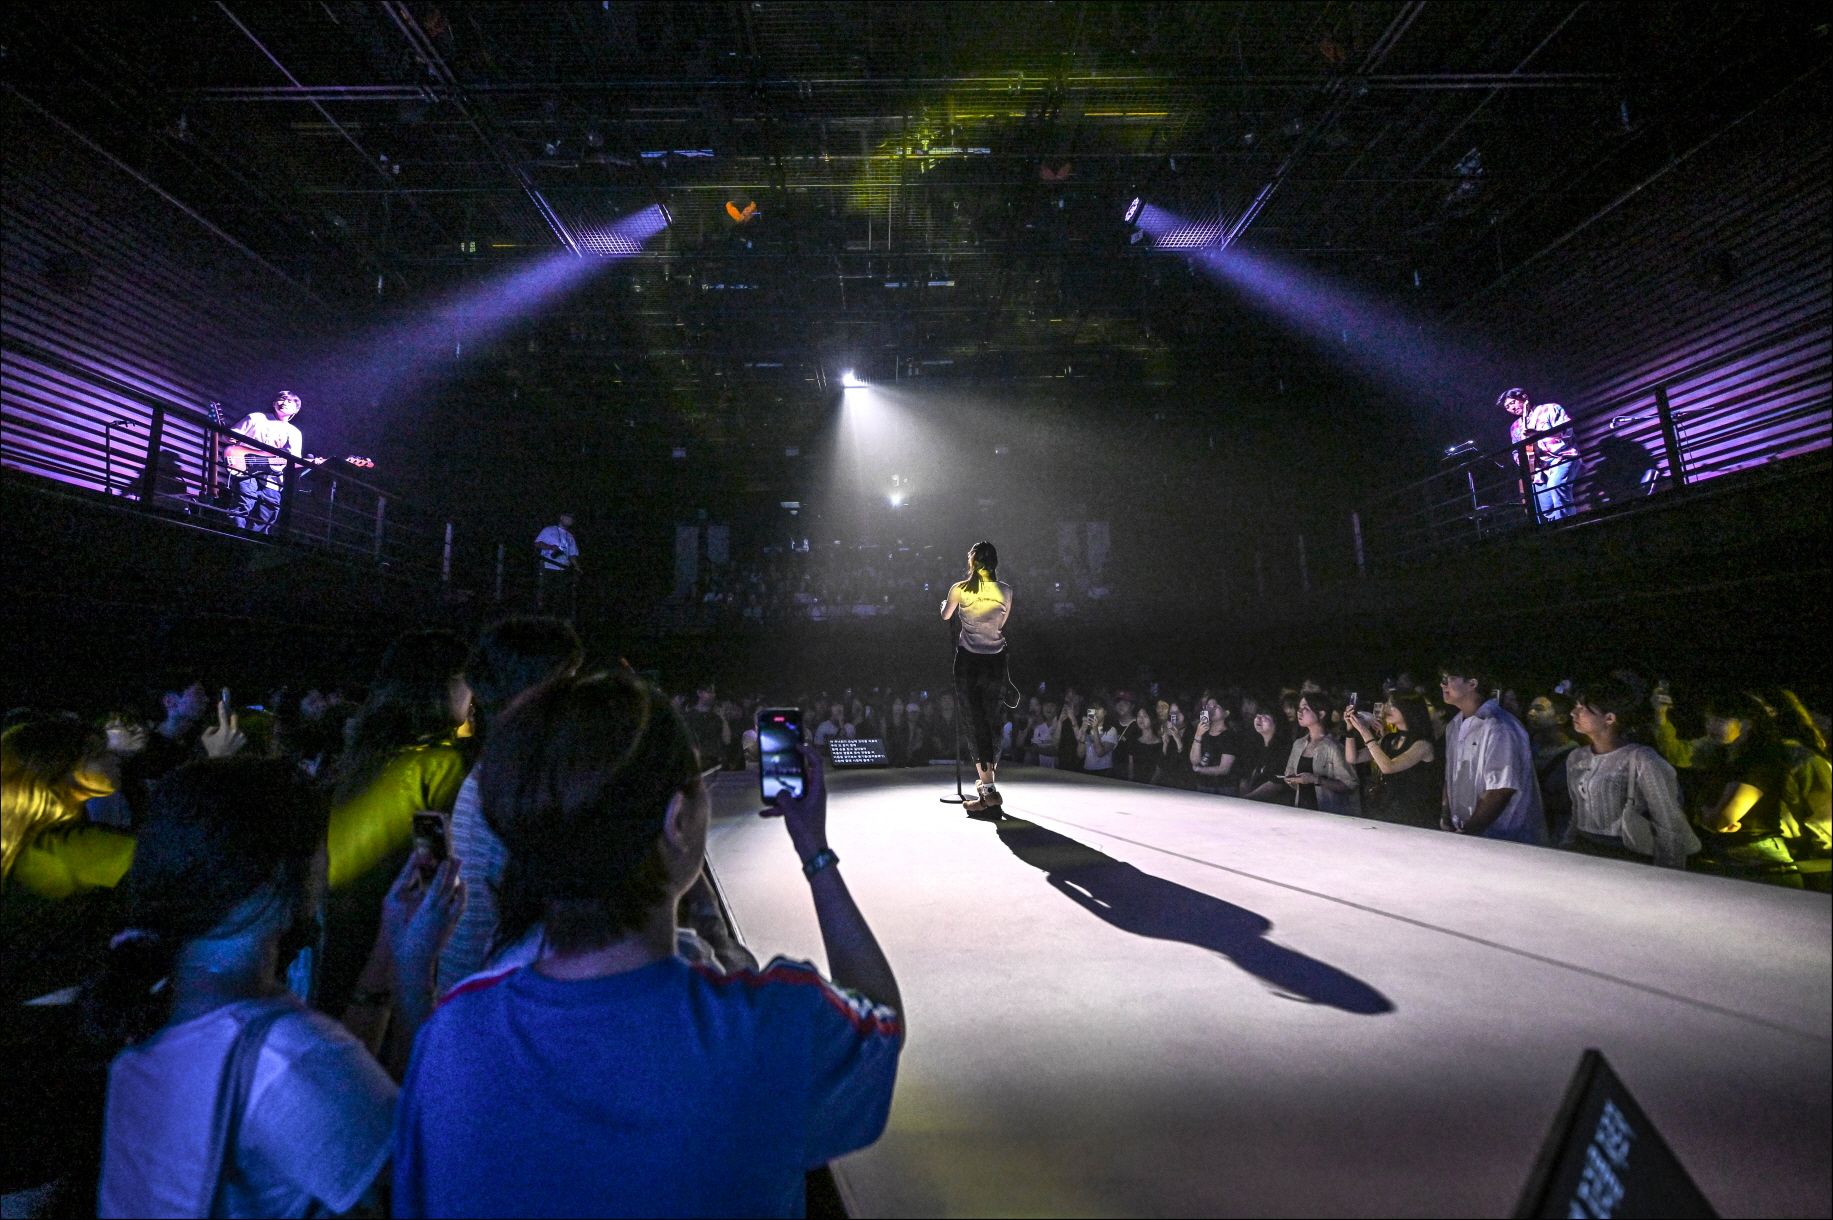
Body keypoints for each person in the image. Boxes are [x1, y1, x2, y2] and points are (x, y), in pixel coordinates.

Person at [393, 673, 902, 1219]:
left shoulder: (451, 1036)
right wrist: (816, 853)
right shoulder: (773, 1025)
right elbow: (882, 1023)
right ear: (677, 821)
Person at [92, 759, 463, 1219]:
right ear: (285, 873)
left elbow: (337, 1091)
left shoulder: (151, 1001)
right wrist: (414, 974)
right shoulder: (287, 1054)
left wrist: (388, 949)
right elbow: (431, 1166)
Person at [320, 631, 471, 1018]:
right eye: (466, 680)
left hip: (336, 936)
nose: (472, 695)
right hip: (389, 948)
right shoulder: (439, 763)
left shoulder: (365, 756)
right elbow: (434, 878)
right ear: (441, 686)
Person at [437, 616, 584, 995]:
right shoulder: (488, 793)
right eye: (565, 680)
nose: (576, 695)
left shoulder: (532, 777)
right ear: (526, 691)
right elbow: (466, 943)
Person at [1563, 680, 1698, 869]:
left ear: (1609, 718)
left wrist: (1668, 872)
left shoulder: (1642, 759)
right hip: (1584, 849)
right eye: (1575, 706)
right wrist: (1567, 846)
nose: (1573, 712)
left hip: (1627, 856)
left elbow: (1668, 822)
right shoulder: (1577, 757)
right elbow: (1577, 809)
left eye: (1582, 708)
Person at [1686, 691, 1801, 887]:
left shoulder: (1759, 762)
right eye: (1708, 719)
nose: (1710, 726)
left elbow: (1720, 819)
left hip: (1763, 865)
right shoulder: (1724, 760)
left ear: (1748, 722)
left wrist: (1705, 815)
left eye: (1720, 719)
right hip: (1740, 862)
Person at [1438, 660, 1547, 844]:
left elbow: (1501, 789)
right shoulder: (1454, 726)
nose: (1442, 684)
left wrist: (1470, 833)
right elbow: (1451, 776)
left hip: (1503, 839)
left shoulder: (1500, 727)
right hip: (1465, 833)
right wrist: (1446, 816)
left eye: (1449, 679)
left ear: (1472, 684)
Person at [940, 542, 1013, 813]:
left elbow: (946, 615)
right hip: (995, 661)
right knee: (993, 720)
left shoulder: (959, 589)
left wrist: (945, 605)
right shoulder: (1005, 591)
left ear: (972, 562)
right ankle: (988, 787)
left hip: (969, 662)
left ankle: (989, 791)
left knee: (975, 720)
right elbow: (1000, 623)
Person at [1246, 693, 1359, 815]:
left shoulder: (1333, 746)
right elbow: (1290, 774)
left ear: (1321, 714)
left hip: (1327, 813)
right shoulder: (1298, 744)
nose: (1299, 712)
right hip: (1301, 809)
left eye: (1306, 708)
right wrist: (1291, 779)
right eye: (1299, 708)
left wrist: (1316, 779)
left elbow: (1350, 784)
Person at [226, 392, 320, 534]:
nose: (284, 402)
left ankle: (254, 542)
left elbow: (293, 461)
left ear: (296, 409)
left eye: (289, 401)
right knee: (243, 502)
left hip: (273, 478)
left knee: (267, 513)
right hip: (246, 469)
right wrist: (230, 438)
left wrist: (313, 462)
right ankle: (234, 536)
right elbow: (229, 435)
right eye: (281, 399)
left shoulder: (294, 433)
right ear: (274, 403)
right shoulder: (256, 418)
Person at [1344, 695, 1439, 828]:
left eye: (1393, 705)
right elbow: (1353, 758)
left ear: (1409, 710)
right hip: (1388, 809)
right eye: (1387, 704)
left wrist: (1365, 732)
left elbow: (1388, 767)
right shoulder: (1390, 739)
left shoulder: (1423, 744)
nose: (1386, 709)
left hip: (1414, 814)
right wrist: (1350, 730)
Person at [1499, 387, 1581, 524]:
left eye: (1513, 402)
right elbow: (1516, 451)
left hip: (1562, 457)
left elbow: (1567, 431)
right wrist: (1525, 463)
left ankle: (1568, 526)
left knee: (1557, 486)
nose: (1511, 408)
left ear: (1524, 397)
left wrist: (1538, 434)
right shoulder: (1515, 426)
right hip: (1538, 468)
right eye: (1507, 407)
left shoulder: (1551, 408)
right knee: (1545, 508)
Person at [1526, 693, 1583, 841]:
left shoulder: (1574, 756)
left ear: (1561, 718)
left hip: (1557, 831)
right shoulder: (1532, 748)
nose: (1531, 713)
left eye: (1539, 709)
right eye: (1531, 708)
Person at [1188, 696, 1238, 794]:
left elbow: (1224, 769)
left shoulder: (1229, 736)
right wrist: (1198, 735)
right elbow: (1194, 761)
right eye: (1208, 706)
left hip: (1223, 787)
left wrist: (1199, 769)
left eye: (1215, 706)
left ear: (1226, 713)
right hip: (1203, 784)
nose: (1210, 709)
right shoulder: (1202, 732)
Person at [534, 513, 581, 615]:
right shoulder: (549, 530)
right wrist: (551, 547)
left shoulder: (570, 536)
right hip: (548, 566)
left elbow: (572, 554)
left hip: (563, 568)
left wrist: (577, 567)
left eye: (571, 519)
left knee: (560, 594)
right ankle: (542, 614)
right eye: (567, 518)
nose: (569, 520)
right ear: (561, 518)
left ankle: (556, 615)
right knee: (546, 591)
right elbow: (537, 543)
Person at [682, 684, 732, 766]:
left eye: (714, 692)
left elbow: (727, 740)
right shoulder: (689, 716)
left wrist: (723, 718)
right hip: (699, 760)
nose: (713, 695)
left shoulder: (716, 717)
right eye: (709, 692)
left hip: (715, 759)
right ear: (699, 693)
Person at [1120, 707, 1161, 783]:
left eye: (1145, 716)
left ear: (1152, 718)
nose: (1140, 719)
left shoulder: (1159, 744)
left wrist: (1150, 786)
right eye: (1139, 715)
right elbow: (1130, 767)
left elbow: (1158, 770)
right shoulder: (1134, 741)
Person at [1076, 702, 1119, 775]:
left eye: (1098, 709)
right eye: (1093, 709)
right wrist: (1083, 733)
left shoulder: (1111, 730)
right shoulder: (1085, 728)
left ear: (1105, 712)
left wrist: (1095, 729)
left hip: (1104, 771)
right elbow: (1080, 754)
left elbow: (1100, 753)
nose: (1095, 712)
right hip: (1087, 769)